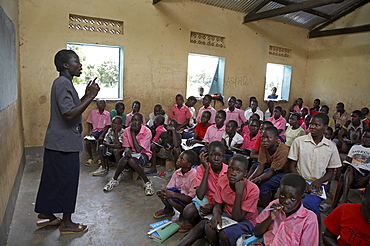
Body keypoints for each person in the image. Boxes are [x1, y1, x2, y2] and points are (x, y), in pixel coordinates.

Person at [35, 49, 100, 234]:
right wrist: (90, 97)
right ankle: (67, 224)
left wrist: (86, 95)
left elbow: (72, 107)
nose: (80, 65)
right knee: (67, 182)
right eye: (76, 61)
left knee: (53, 179)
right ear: (65, 65)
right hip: (63, 144)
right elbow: (69, 114)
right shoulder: (62, 83)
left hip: (58, 142)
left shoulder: (64, 83)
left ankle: (46, 213)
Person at [288, 113, 342, 215]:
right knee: (292, 203)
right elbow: (292, 166)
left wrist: (319, 181)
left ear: (325, 127)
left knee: (309, 205)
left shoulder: (330, 147)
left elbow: (330, 172)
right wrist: (302, 182)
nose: (312, 127)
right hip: (298, 180)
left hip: (317, 185)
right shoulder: (299, 142)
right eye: (311, 124)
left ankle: (314, 228)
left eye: (317, 125)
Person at [205, 155, 259, 246]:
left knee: (224, 234)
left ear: (245, 174)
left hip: (246, 220)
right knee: (209, 227)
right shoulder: (222, 181)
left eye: (238, 171)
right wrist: (216, 215)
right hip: (227, 215)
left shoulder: (253, 190)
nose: (233, 173)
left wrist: (239, 193)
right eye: (231, 169)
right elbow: (218, 205)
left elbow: (237, 217)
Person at [254, 173, 319, 246]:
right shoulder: (274, 205)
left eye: (292, 199)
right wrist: (270, 218)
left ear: (301, 198)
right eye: (282, 196)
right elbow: (257, 232)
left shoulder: (309, 219)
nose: (286, 201)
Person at [180, 141, 228, 234]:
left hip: (222, 203)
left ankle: (203, 227)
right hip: (206, 199)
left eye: (219, 156)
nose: (216, 158)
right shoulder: (201, 168)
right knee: (188, 211)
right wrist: (206, 169)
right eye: (213, 155)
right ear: (207, 155)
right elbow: (200, 195)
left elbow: (228, 197)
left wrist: (214, 206)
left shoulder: (228, 171)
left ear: (223, 156)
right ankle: (198, 224)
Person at [103, 113, 154, 196]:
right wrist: (127, 151)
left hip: (144, 154)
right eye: (132, 120)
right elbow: (126, 146)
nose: (134, 122)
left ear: (141, 122)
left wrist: (133, 133)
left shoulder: (146, 131)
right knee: (124, 160)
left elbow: (138, 149)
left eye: (136, 120)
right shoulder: (127, 130)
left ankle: (147, 182)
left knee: (131, 161)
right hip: (132, 154)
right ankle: (114, 179)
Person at [249, 126, 290, 207]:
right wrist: (250, 179)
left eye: (268, 138)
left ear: (276, 138)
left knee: (263, 185)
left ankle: (266, 207)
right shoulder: (264, 146)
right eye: (263, 137)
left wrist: (257, 179)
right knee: (253, 180)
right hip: (272, 169)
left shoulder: (283, 150)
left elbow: (271, 172)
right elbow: (260, 166)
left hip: (285, 173)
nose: (264, 140)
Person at [153, 150, 198, 220]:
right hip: (180, 195)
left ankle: (184, 215)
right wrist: (163, 191)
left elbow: (190, 199)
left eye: (181, 159)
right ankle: (168, 209)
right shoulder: (177, 172)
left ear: (189, 164)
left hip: (189, 202)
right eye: (179, 157)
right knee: (164, 193)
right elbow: (169, 187)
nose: (178, 160)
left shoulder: (194, 175)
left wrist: (173, 194)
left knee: (171, 198)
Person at [331, 129, 370, 209]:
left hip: (363, 174)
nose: (366, 139)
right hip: (351, 172)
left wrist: (366, 178)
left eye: (368, 138)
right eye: (364, 137)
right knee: (348, 168)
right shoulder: (355, 147)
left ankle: (335, 205)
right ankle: (343, 200)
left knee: (343, 179)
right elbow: (348, 161)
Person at [85, 99, 111, 166]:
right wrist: (90, 131)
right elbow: (90, 123)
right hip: (94, 131)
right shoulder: (93, 112)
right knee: (88, 141)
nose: (102, 105)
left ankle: (100, 158)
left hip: (103, 131)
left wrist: (102, 135)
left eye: (103, 104)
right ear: (97, 105)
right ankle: (90, 158)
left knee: (101, 141)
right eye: (100, 103)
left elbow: (107, 127)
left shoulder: (107, 114)